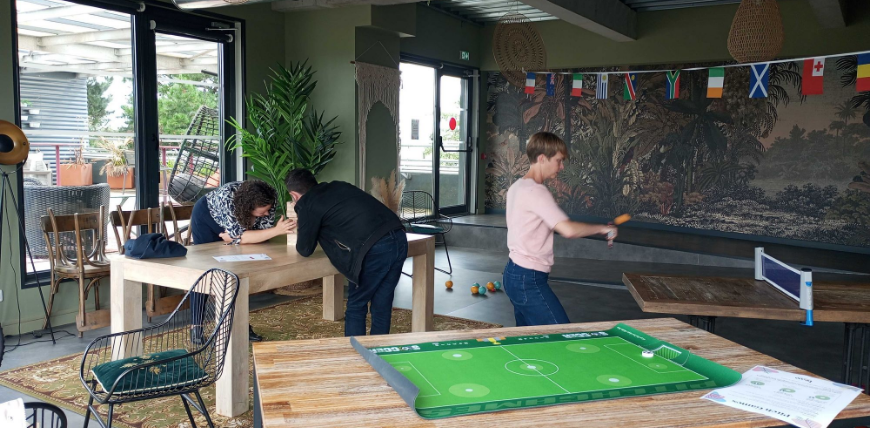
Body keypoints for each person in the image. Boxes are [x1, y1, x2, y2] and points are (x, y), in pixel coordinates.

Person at [503, 132, 618, 326]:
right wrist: (603, 229)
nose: (561, 166)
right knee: (563, 336)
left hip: (514, 273)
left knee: (527, 341)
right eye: (558, 160)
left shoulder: (517, 187)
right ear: (541, 158)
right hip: (528, 279)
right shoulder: (536, 191)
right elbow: (568, 230)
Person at [284, 168, 407, 336]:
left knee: (356, 306)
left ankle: (354, 357)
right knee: (382, 304)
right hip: (398, 236)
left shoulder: (307, 203)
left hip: (375, 248)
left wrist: (300, 210)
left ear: (294, 195)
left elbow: (304, 249)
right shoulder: (339, 186)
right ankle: (379, 354)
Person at [189, 180, 295, 341]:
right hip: (207, 218)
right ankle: (196, 327)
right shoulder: (227, 200)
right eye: (262, 212)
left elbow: (261, 235)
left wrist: (238, 237)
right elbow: (242, 236)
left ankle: (241, 325)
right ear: (248, 207)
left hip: (236, 225)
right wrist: (274, 231)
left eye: (268, 211)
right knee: (205, 272)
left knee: (237, 273)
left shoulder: (268, 200)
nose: (267, 214)